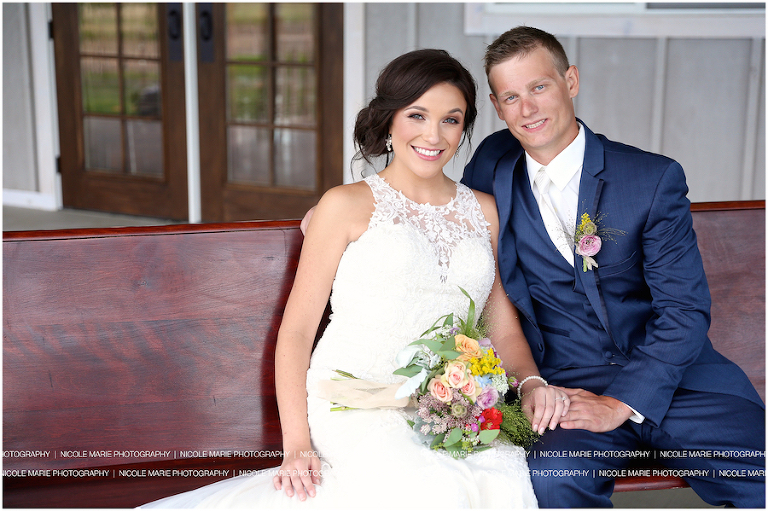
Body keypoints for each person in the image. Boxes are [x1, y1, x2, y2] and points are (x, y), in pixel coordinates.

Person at [142, 48, 571, 509]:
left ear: (464, 128)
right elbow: (298, 331)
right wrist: (297, 445)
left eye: (451, 119)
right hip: (354, 403)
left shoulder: (484, 211)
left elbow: (502, 328)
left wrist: (530, 383)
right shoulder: (345, 205)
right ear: (389, 121)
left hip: (453, 410)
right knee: (430, 494)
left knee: (503, 482)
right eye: (417, 115)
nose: (433, 134)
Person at [462, 26, 766, 508]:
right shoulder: (492, 164)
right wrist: (355, 205)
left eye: (539, 87)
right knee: (554, 477)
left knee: (760, 473)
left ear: (571, 81)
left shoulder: (649, 178)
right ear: (498, 109)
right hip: (566, 392)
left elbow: (685, 312)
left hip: (680, 386)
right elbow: (436, 205)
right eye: (511, 97)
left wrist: (620, 403)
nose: (528, 109)